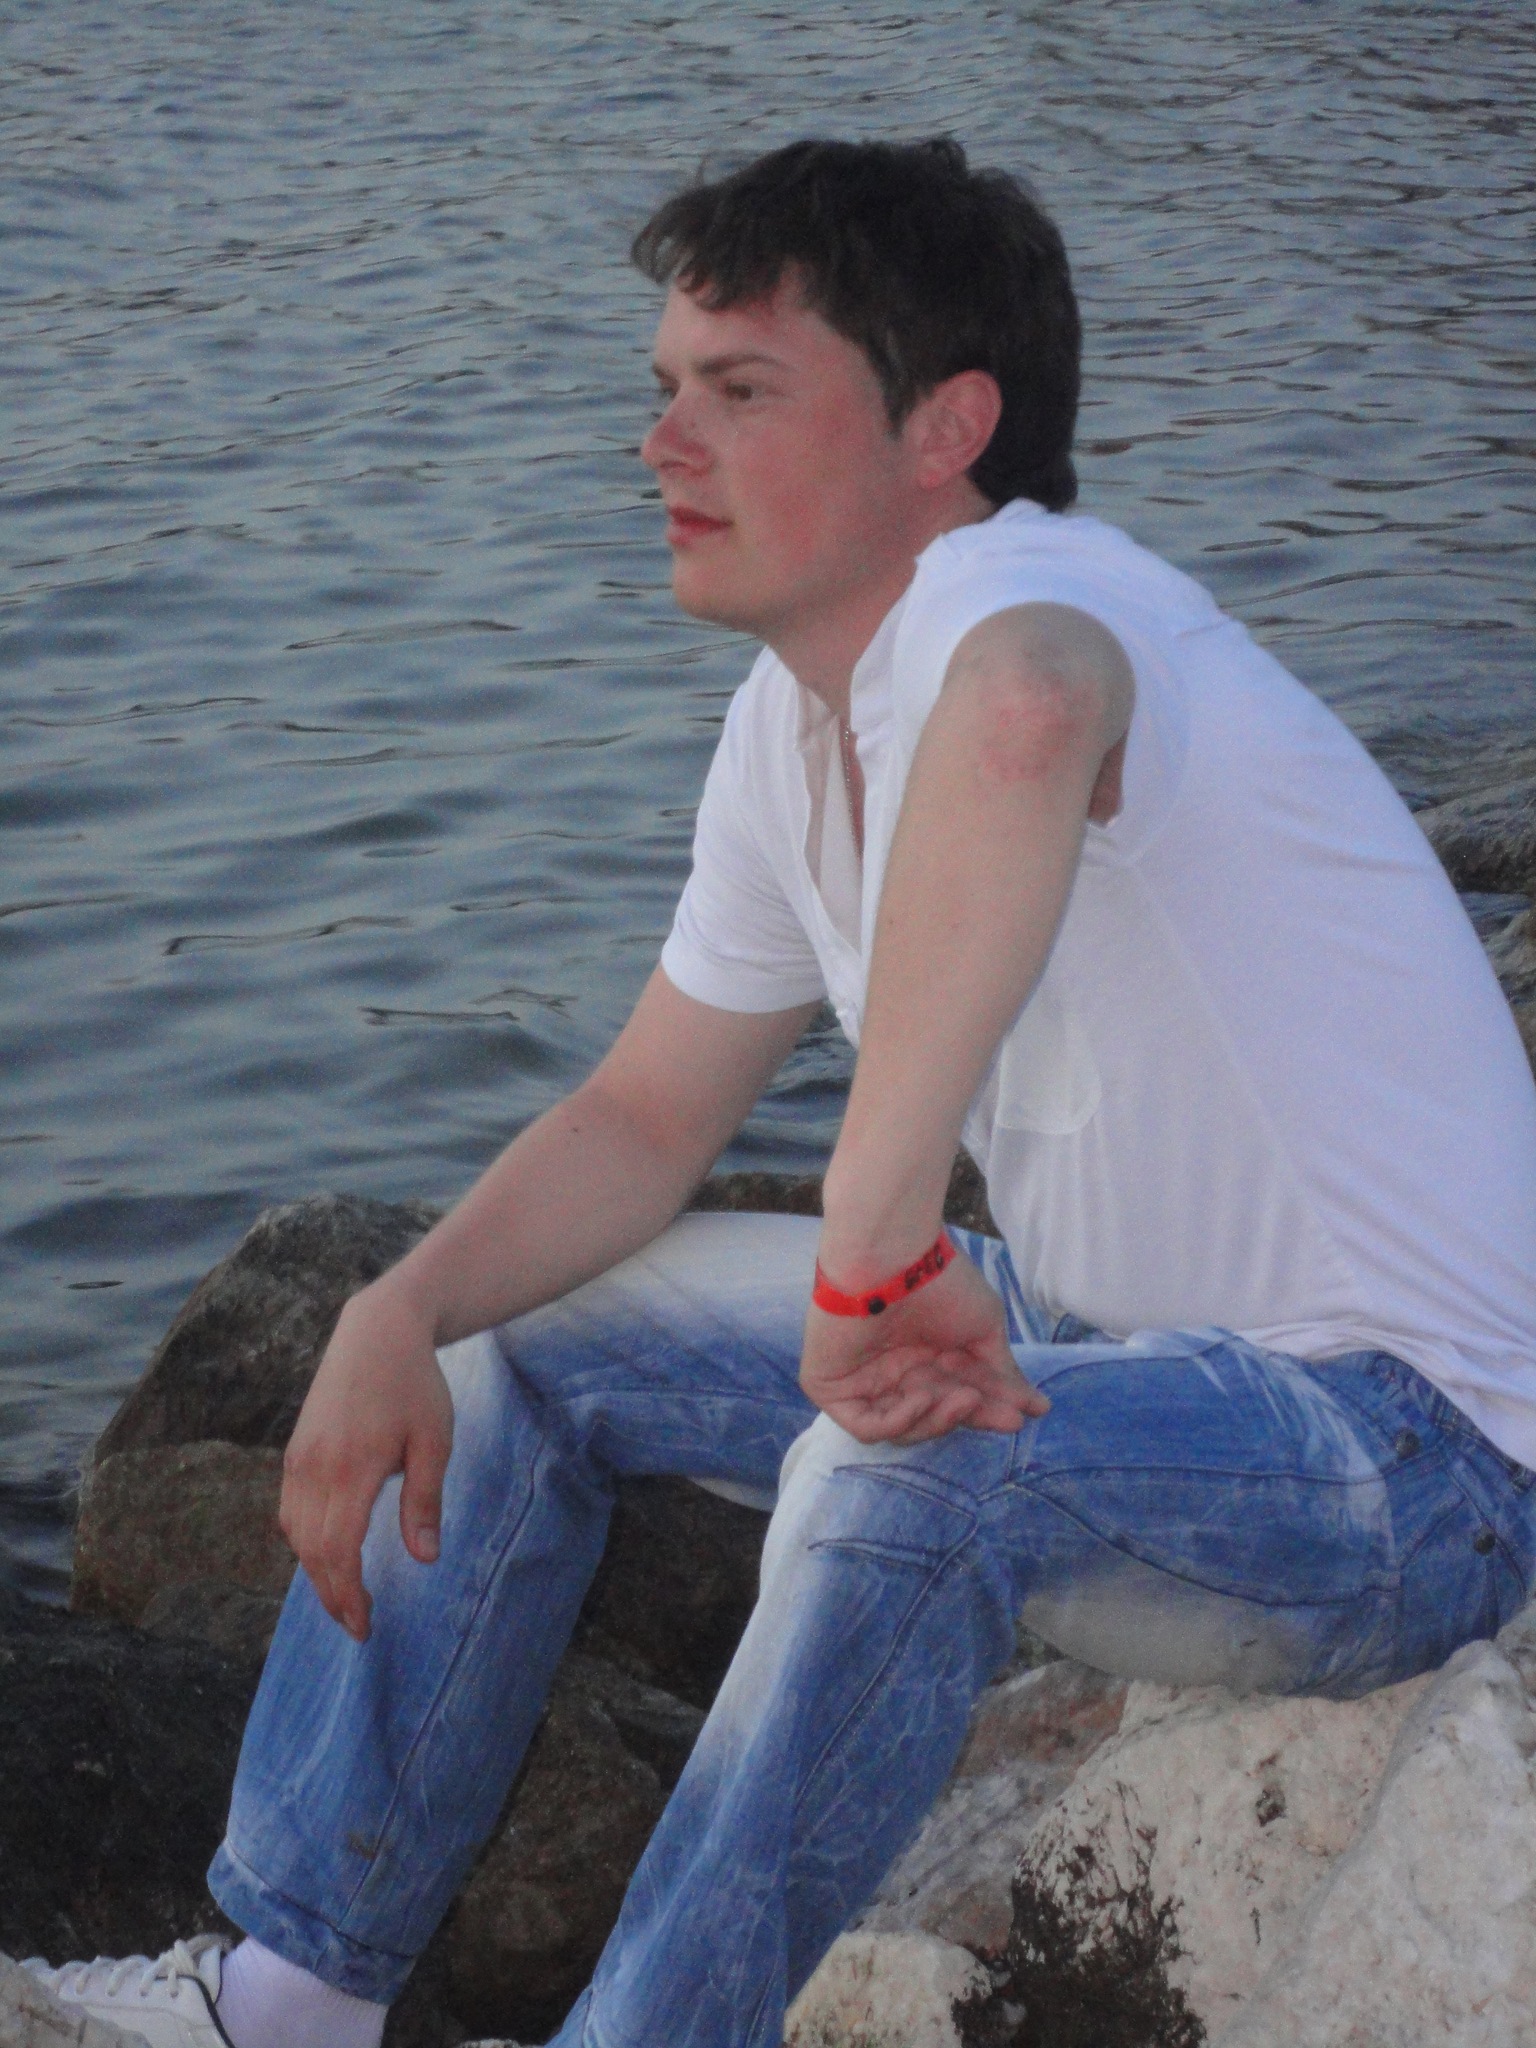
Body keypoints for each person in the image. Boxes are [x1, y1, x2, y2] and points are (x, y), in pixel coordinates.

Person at [29, 137, 1536, 2048]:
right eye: (667, 388)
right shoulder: (788, 726)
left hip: (1414, 1456)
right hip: (1118, 1356)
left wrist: (873, 1246)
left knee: (895, 1468)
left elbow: (1032, 713)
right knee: (505, 1335)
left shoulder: (1032, 596)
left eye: (740, 393)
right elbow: (646, 1121)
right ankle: (284, 2001)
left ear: (947, 428)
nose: (664, 444)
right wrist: (395, 1308)